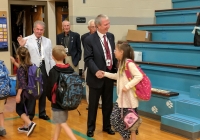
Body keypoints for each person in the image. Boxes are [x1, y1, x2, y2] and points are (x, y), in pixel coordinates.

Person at [84, 14, 117, 137]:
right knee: (93, 105)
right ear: (98, 26)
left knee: (108, 104)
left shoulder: (111, 36)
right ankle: (90, 128)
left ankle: (107, 126)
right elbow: (88, 58)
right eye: (105, 24)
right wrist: (96, 71)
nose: (108, 26)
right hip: (96, 77)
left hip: (108, 76)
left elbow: (113, 55)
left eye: (108, 23)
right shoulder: (89, 40)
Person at [15, 20, 55, 121]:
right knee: (32, 91)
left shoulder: (47, 41)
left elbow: (50, 57)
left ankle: (42, 112)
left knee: (43, 91)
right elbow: (21, 54)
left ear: (44, 30)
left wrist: (52, 70)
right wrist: (22, 45)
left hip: (44, 68)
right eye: (37, 29)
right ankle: (31, 113)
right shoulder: (27, 40)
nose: (39, 31)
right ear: (34, 29)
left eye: (41, 30)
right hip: (32, 69)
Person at [103, 43, 143, 140]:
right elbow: (117, 76)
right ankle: (125, 137)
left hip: (129, 100)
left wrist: (127, 86)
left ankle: (125, 137)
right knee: (127, 122)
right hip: (122, 99)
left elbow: (139, 76)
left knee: (128, 123)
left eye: (116, 50)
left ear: (121, 52)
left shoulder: (129, 63)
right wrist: (104, 73)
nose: (114, 52)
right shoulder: (121, 63)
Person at [46, 45, 77, 140]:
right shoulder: (70, 69)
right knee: (60, 122)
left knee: (62, 123)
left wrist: (50, 99)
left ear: (52, 57)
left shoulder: (53, 71)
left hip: (57, 102)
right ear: (64, 56)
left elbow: (50, 88)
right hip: (68, 100)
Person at [15, 47, 37, 137]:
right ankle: (25, 126)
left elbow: (22, 83)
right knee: (26, 110)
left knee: (19, 109)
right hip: (31, 91)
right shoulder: (31, 65)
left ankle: (30, 123)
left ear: (19, 57)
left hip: (24, 92)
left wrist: (18, 95)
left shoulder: (21, 68)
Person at [81, 19, 102, 110]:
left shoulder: (101, 36)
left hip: (99, 65)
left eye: (95, 26)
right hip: (89, 64)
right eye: (92, 27)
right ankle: (90, 103)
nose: (94, 28)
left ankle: (100, 102)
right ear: (89, 28)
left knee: (100, 84)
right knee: (88, 84)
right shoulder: (84, 37)